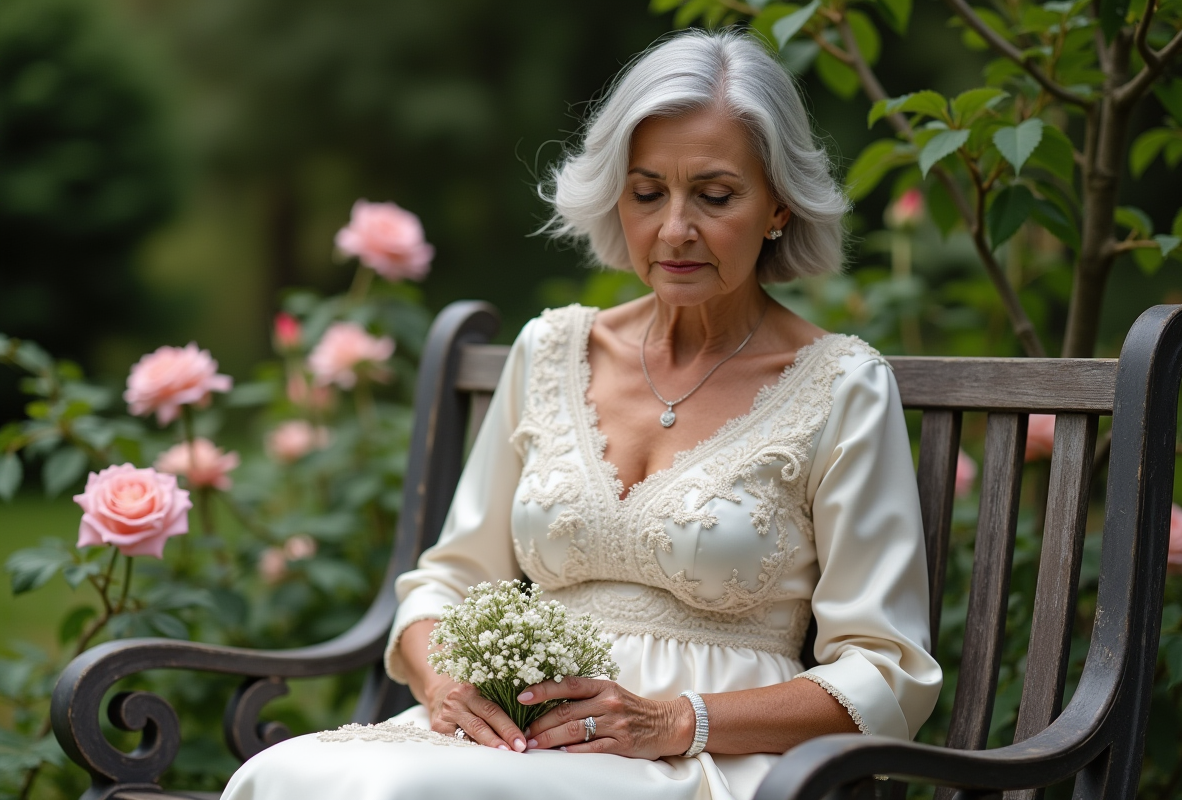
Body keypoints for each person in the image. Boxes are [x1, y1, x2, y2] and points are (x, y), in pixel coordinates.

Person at [222, 28, 942, 800]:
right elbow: (448, 582)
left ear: (779, 207)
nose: (674, 229)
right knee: (283, 773)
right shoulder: (551, 350)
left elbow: (885, 671)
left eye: (715, 195)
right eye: (647, 193)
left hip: (706, 760)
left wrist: (675, 721)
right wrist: (446, 686)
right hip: (515, 742)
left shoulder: (841, 386)